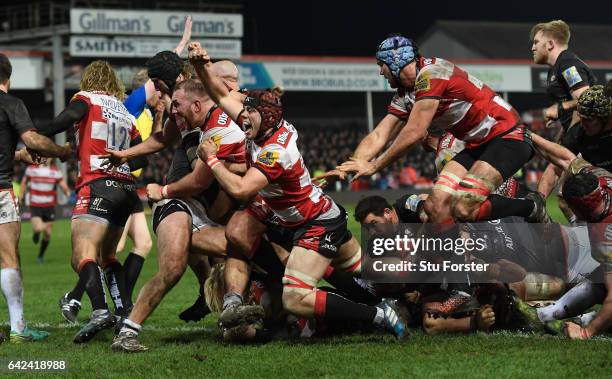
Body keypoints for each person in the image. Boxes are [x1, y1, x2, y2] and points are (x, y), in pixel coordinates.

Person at [189, 42, 406, 339]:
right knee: (361, 266)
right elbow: (219, 94)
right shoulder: (263, 123)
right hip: (298, 213)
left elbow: (240, 190)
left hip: (314, 223)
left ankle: (380, 314)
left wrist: (210, 158)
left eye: (248, 114)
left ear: (264, 116)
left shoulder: (276, 151)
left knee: (298, 295)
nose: (241, 118)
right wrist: (202, 65)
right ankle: (234, 301)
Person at [336, 35, 544, 225]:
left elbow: (415, 132)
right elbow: (379, 135)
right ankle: (452, 260)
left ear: (395, 61)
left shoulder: (432, 74)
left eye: (382, 65)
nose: (381, 71)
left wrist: (374, 166)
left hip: (508, 136)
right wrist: (350, 166)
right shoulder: (406, 93)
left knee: (463, 208)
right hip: (478, 145)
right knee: (435, 207)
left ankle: (532, 207)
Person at [37, 60, 147, 343]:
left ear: (88, 79)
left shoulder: (86, 99)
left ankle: (99, 311)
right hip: (125, 190)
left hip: (97, 185)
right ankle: (124, 312)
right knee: (108, 257)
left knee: (81, 255)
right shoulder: (124, 111)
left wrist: (34, 133)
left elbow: (64, 120)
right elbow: (142, 157)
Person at [0, 53, 71, 343]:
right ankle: (18, 329)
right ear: (9, 78)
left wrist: (16, 156)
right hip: (0, 190)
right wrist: (61, 152)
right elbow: (32, 139)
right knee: (8, 257)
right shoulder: (11, 104)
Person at [530, 133, 612, 339]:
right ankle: (545, 315)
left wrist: (586, 333)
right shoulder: (601, 177)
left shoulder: (605, 236)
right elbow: (565, 158)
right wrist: (528, 135)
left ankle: (587, 321)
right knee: (599, 281)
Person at [531, 20, 595, 222]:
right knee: (560, 187)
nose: (532, 47)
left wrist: (559, 109)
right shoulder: (556, 69)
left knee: (568, 197)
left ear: (550, 44)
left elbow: (586, 98)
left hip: (591, 138)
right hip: (579, 135)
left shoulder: (567, 64)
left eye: (536, 42)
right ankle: (536, 206)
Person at [19, 160, 70, 263]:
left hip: (49, 206)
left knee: (47, 234)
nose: (46, 158)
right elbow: (24, 182)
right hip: (35, 205)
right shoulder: (31, 169)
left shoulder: (55, 171)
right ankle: (37, 232)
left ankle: (40, 256)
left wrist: (67, 192)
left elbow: (63, 184)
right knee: (38, 228)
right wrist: (21, 195)